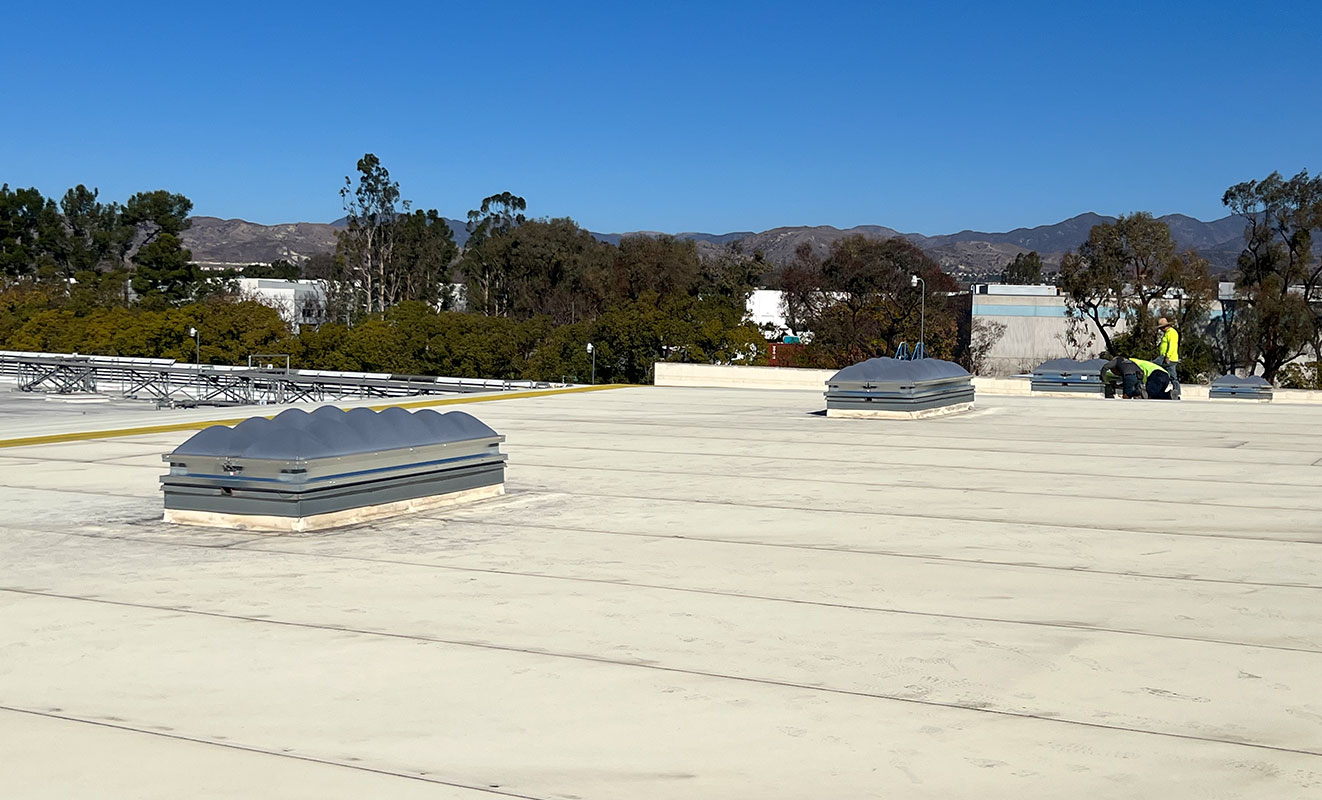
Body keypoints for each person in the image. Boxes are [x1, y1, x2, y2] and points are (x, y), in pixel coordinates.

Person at [1100, 356, 1173, 399]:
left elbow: (1131, 378)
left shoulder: (1132, 363)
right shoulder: (1129, 362)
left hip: (1155, 373)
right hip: (1166, 376)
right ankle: (1170, 395)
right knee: (1154, 396)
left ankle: (1169, 395)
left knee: (1148, 393)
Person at [1157, 317, 1181, 399]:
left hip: (1169, 358)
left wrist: (1168, 356)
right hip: (1164, 357)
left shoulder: (1172, 333)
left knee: (1173, 376)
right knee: (1163, 374)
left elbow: (1172, 345)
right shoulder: (1167, 333)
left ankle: (1176, 391)